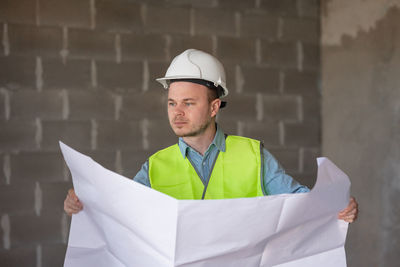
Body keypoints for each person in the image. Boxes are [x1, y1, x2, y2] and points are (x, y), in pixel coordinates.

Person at [64, 49, 358, 222]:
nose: (177, 112)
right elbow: (119, 212)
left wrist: (336, 208)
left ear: (214, 106)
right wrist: (83, 206)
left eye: (188, 103)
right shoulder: (154, 167)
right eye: (172, 103)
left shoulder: (253, 156)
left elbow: (301, 204)